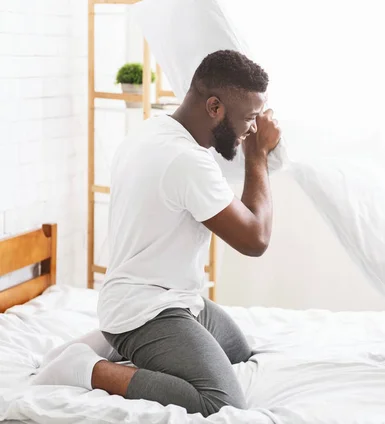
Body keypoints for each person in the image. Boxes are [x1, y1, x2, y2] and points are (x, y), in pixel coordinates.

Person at [32, 50, 282, 416]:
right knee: (220, 402)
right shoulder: (187, 161)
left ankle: (108, 343)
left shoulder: (155, 129)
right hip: (146, 310)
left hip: (171, 297)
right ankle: (87, 368)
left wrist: (252, 139)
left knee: (238, 354)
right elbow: (255, 240)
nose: (252, 130)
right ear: (215, 107)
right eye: (249, 118)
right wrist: (257, 157)